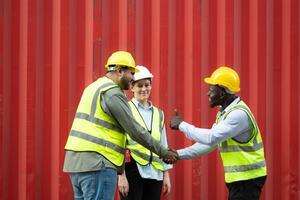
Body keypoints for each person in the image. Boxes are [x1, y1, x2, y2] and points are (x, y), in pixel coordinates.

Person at [63, 51, 178, 200]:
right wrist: (164, 152)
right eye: (131, 73)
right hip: (98, 163)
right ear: (119, 71)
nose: (132, 78)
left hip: (76, 164)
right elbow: (134, 130)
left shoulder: (93, 88)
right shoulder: (112, 92)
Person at [169, 66, 267, 200]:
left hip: (247, 179)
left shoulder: (238, 115)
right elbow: (210, 143)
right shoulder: (224, 113)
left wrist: (181, 125)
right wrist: (179, 154)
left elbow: (211, 138)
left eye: (211, 90)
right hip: (241, 179)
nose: (208, 94)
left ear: (222, 93)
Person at [118, 66, 172, 200]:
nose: (144, 89)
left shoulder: (159, 114)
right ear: (132, 87)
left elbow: (163, 144)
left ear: (151, 86)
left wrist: (166, 175)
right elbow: (120, 143)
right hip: (133, 170)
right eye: (139, 85)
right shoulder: (126, 109)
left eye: (147, 85)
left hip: (155, 173)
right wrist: (121, 176)